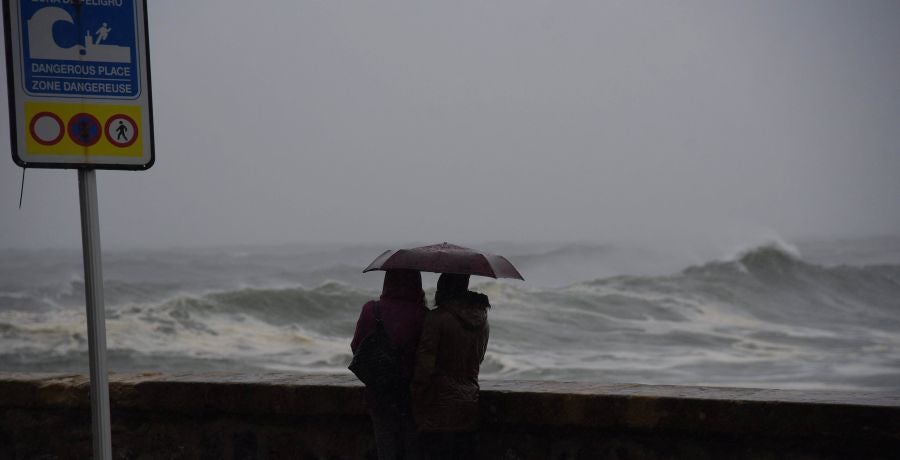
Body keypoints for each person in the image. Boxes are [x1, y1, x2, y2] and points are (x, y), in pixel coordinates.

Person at [411, 273, 490, 460]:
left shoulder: (436, 319)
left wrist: (417, 394)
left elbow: (425, 365)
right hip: (469, 403)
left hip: (438, 408)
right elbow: (478, 359)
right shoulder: (482, 320)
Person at [352, 269, 428, 460]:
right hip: (410, 394)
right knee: (412, 447)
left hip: (379, 392)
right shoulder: (423, 315)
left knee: (385, 446)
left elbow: (356, 347)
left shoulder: (371, 310)